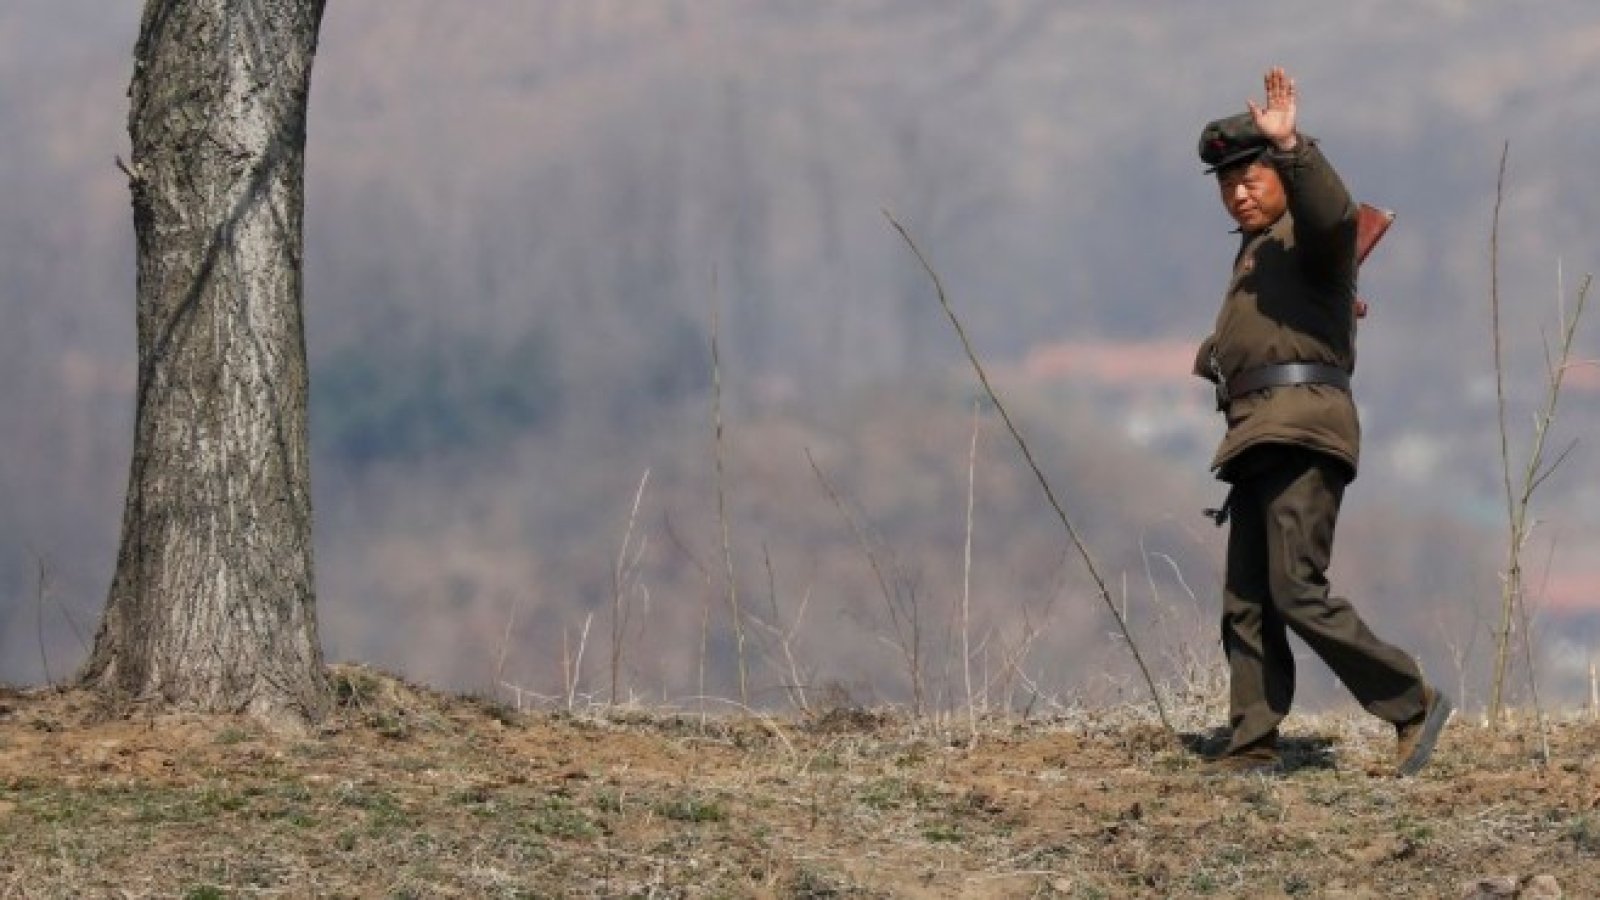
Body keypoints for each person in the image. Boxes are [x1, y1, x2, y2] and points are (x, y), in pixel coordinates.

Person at [1192, 67, 1452, 776]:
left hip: (1303, 430)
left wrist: (1292, 147)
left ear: (1280, 176)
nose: (1239, 192)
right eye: (1227, 183)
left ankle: (1413, 702)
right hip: (1257, 433)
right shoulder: (1254, 254)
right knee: (1246, 600)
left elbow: (1334, 214)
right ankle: (1252, 743)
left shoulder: (1311, 239)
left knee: (1296, 590)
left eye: (1251, 177)